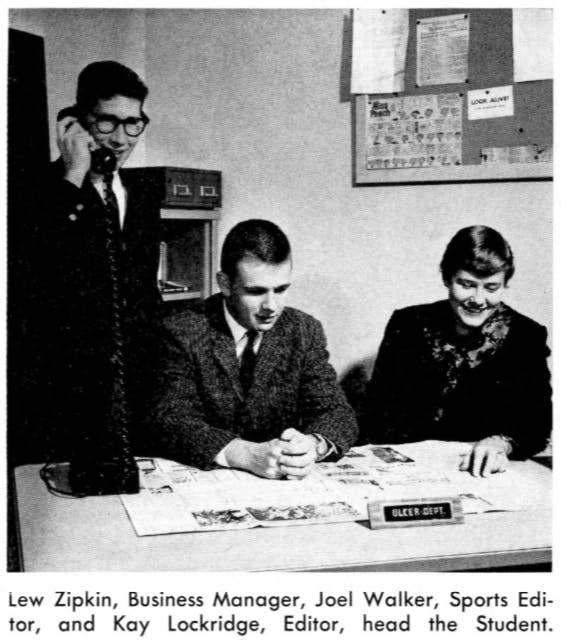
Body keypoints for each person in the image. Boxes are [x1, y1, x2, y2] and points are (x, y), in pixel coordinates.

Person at [143, 219, 358, 479]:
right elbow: (170, 419)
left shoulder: (303, 329)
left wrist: (313, 445)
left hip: (280, 482)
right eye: (255, 291)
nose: (272, 306)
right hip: (208, 478)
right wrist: (242, 454)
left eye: (281, 290)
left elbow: (335, 411)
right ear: (224, 283)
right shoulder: (181, 330)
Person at [26, 61, 161, 464]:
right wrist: (72, 178)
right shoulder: (36, 191)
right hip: (60, 387)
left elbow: (142, 293)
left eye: (132, 123)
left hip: (130, 389)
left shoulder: (142, 196)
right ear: (76, 123)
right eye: (107, 123)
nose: (121, 139)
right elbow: (36, 278)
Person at [364, 225, 551, 477]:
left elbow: (537, 425)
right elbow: (377, 410)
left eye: (491, 288)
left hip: (479, 471)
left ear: (506, 284)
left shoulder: (526, 336)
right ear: (446, 278)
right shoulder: (407, 323)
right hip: (407, 469)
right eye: (466, 284)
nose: (478, 299)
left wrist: (501, 443)